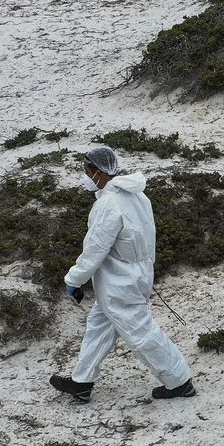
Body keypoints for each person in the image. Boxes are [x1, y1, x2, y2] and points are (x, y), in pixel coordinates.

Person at [50, 147, 196, 402]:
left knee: (140, 332)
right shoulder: (138, 196)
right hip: (135, 273)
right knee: (99, 325)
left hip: (120, 280)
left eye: (86, 171)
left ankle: (179, 381)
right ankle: (81, 381)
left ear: (98, 172)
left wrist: (74, 279)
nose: (85, 177)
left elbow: (95, 248)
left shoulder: (109, 203)